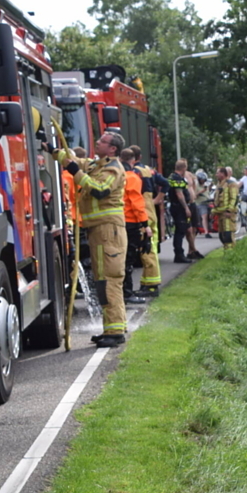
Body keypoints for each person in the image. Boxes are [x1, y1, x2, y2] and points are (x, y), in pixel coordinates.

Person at [53, 132, 127, 347]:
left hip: (108, 231)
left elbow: (100, 190)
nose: (97, 142)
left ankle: (115, 332)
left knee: (109, 280)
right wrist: (52, 149)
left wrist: (75, 172)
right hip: (99, 231)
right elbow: (75, 160)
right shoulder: (98, 165)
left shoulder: (113, 169)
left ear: (112, 149)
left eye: (102, 141)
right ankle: (113, 328)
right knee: (103, 279)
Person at [128, 145, 161, 296]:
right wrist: (157, 199)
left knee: (146, 249)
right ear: (139, 157)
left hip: (143, 212)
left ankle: (151, 285)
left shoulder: (133, 172)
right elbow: (165, 184)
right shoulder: (149, 170)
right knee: (150, 247)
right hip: (150, 209)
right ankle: (148, 283)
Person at [120, 149, 149, 305]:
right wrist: (145, 224)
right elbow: (136, 203)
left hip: (116, 221)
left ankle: (120, 293)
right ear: (133, 161)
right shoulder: (133, 178)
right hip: (130, 222)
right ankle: (128, 293)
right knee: (128, 259)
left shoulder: (116, 175)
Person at [212, 167, 239, 248]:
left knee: (228, 235)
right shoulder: (219, 184)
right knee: (222, 236)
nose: (216, 175)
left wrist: (229, 210)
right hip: (220, 214)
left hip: (228, 214)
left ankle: (231, 254)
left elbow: (234, 198)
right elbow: (217, 199)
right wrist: (214, 211)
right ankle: (227, 251)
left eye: (218, 173)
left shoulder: (231, 184)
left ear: (223, 174)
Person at [195, 170, 213, 238]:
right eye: (202, 180)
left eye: (204, 180)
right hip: (200, 203)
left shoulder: (206, 185)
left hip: (208, 202)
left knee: (214, 211)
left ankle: (213, 226)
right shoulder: (196, 186)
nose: (203, 181)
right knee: (204, 215)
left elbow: (208, 194)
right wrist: (201, 191)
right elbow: (194, 195)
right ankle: (206, 232)